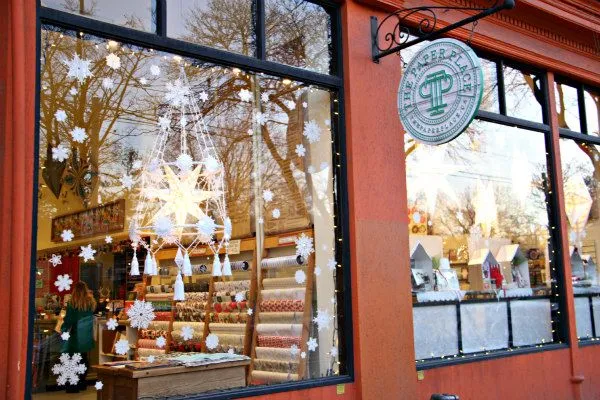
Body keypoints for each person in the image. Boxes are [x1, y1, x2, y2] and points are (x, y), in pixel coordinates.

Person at [60, 281, 96, 393]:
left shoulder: (72, 303)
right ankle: (82, 382)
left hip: (76, 333)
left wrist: (63, 329)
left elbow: (69, 320)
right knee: (83, 358)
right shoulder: (90, 302)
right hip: (86, 333)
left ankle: (72, 385)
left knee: (72, 358)